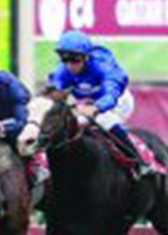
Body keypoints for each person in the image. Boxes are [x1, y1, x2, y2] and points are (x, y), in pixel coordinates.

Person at [48, 30, 156, 177]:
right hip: (86, 104)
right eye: (64, 59)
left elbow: (111, 95)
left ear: (86, 57)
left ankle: (138, 161)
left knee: (104, 119)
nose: (70, 65)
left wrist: (97, 107)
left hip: (118, 101)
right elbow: (54, 92)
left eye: (74, 60)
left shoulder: (104, 67)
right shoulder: (62, 72)